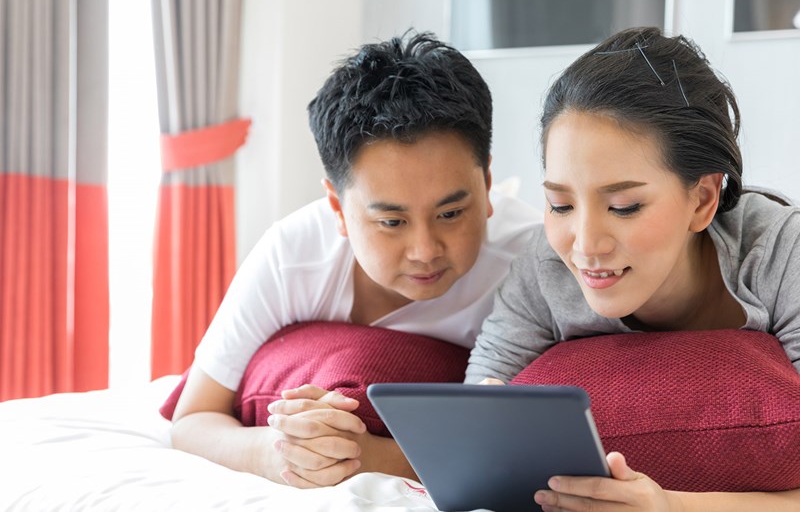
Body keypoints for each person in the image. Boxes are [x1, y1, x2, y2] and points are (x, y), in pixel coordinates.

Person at [169, 31, 541, 488]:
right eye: (391, 222)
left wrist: (373, 457)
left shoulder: (532, 262)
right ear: (338, 208)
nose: (425, 250)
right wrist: (277, 452)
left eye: (450, 213)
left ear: (486, 183)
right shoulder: (293, 255)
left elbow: (523, 442)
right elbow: (192, 417)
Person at [466, 27, 800, 511]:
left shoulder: (780, 253)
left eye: (623, 206)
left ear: (703, 199)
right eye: (560, 204)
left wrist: (670, 506)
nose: (585, 244)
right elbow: (475, 417)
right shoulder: (543, 266)